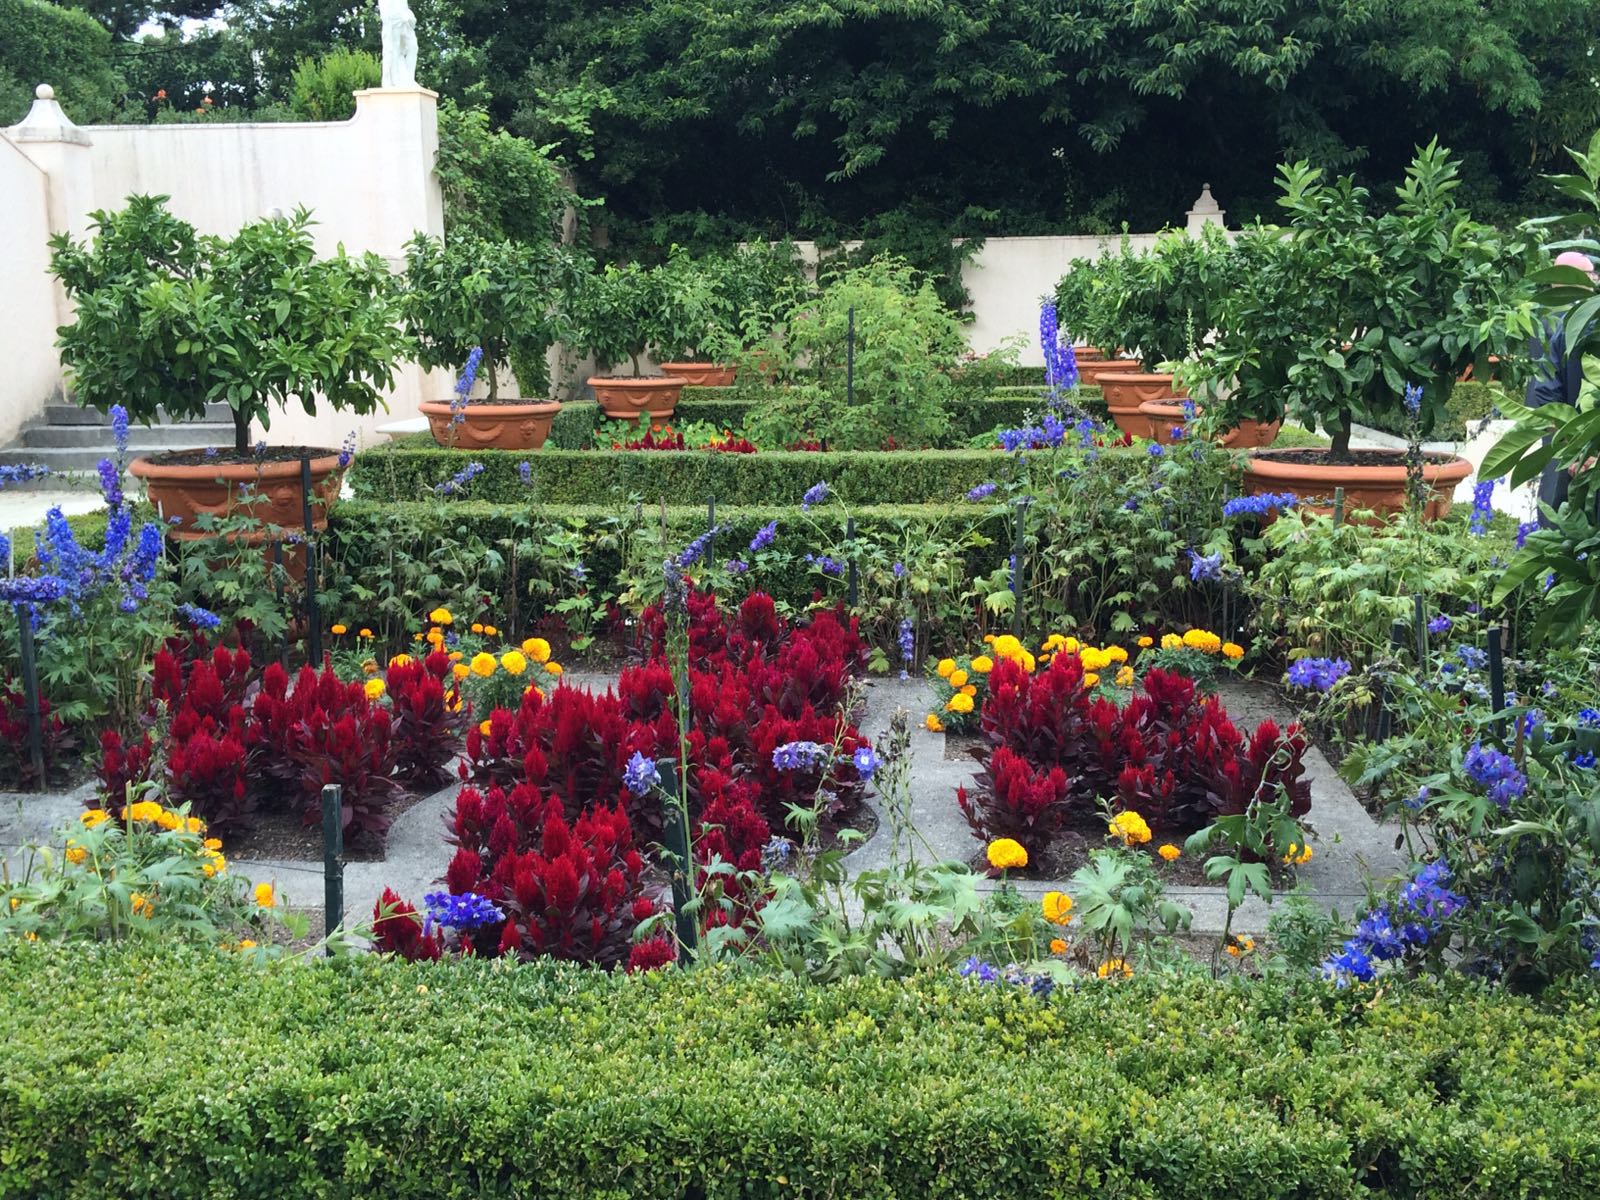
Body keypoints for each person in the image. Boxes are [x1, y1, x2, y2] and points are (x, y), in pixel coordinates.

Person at [1526, 251, 1598, 522]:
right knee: (1559, 491)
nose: (1595, 278)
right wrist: (1575, 446)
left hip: (1570, 428)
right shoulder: (1557, 320)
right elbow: (1545, 385)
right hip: (1565, 425)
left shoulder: (1547, 314)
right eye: (1590, 273)